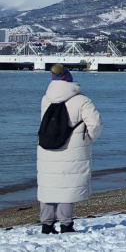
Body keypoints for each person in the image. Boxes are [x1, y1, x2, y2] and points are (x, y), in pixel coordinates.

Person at [38, 64, 103, 234]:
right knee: (67, 186)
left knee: (48, 185)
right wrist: (88, 138)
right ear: (69, 78)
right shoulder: (82, 101)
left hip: (46, 147)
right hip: (72, 147)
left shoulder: (46, 99)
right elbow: (95, 125)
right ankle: (66, 224)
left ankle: (46, 224)